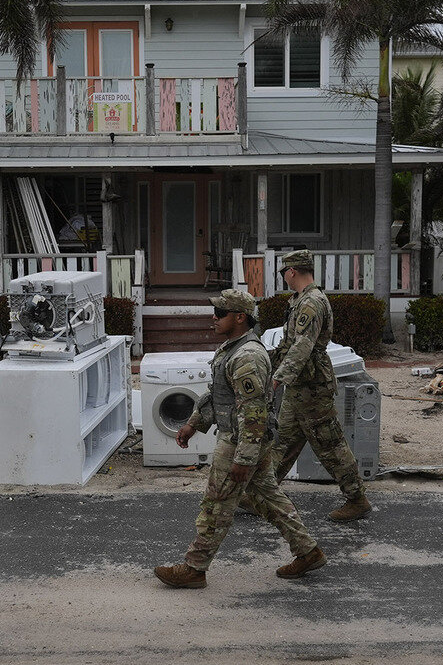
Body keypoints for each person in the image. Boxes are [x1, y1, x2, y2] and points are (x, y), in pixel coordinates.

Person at [154, 289, 325, 588]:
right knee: (269, 498)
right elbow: (221, 396)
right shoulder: (232, 348)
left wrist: (243, 458)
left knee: (216, 504)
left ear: (240, 317)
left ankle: (194, 569)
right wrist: (194, 423)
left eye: (220, 313)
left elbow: (254, 411)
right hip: (246, 439)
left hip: (240, 441)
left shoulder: (247, 356)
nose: (214, 318)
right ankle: (308, 551)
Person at [267, 250, 372, 522]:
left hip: (311, 386)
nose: (284, 278)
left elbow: (303, 346)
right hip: (300, 385)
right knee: (283, 440)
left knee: (329, 444)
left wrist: (280, 376)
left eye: (284, 272)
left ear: (292, 272)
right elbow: (290, 343)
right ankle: (262, 493)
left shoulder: (311, 303)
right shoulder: (302, 300)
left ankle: (356, 499)